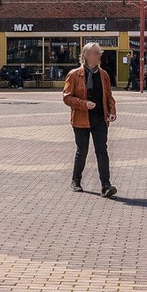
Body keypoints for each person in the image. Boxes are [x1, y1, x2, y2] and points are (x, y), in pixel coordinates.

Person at [62, 43, 117, 198]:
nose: (98, 56)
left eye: (99, 53)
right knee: (82, 150)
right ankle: (76, 180)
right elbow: (67, 97)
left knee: (102, 151)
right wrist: (84, 104)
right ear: (86, 55)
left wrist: (112, 111)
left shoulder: (103, 74)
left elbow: (108, 97)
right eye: (95, 53)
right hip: (81, 119)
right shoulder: (74, 75)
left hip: (99, 118)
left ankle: (106, 185)